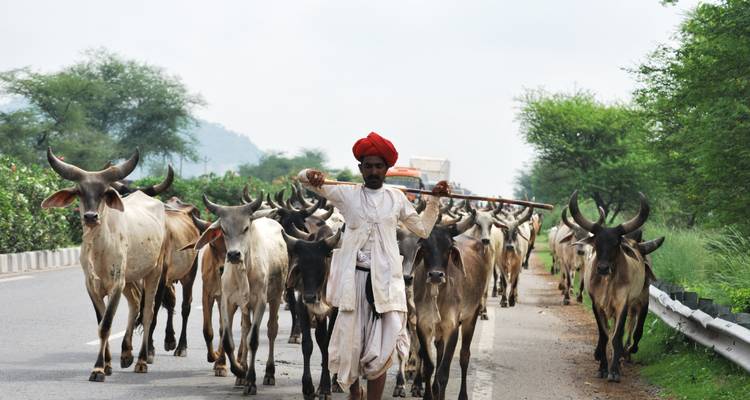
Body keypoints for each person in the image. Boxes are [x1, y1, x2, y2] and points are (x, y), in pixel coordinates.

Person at [297, 131, 449, 400]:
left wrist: (434, 200)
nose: (374, 171)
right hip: (352, 282)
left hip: (386, 284)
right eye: (368, 166)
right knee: (352, 347)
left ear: (387, 169)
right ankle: (356, 394)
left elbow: (424, 229)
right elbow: (304, 179)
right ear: (361, 169)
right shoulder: (347, 195)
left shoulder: (397, 199)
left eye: (379, 166)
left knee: (382, 350)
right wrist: (313, 173)